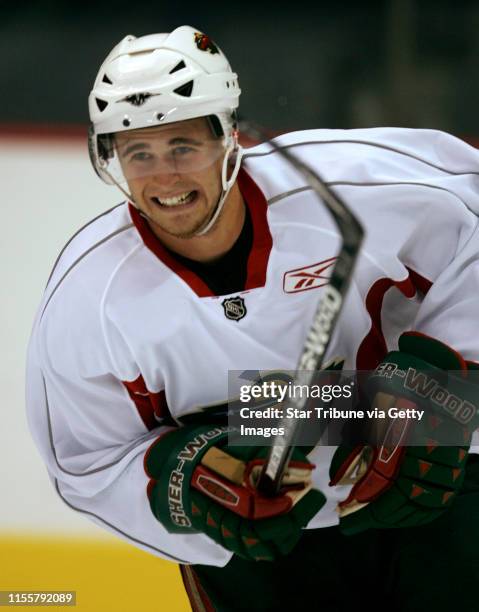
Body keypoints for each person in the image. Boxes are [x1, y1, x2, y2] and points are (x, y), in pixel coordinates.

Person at [26, 25, 479, 612]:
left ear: (228, 138)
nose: (163, 177)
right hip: (261, 549)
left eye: (183, 146)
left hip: (432, 494)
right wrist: (183, 480)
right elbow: (84, 460)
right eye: (138, 152)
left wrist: (439, 381)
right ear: (109, 158)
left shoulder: (359, 185)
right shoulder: (89, 299)